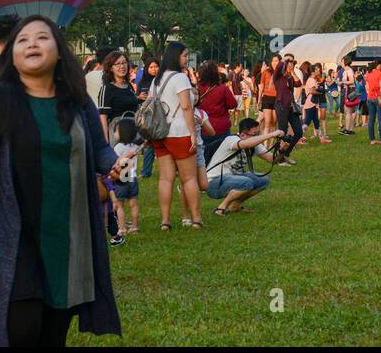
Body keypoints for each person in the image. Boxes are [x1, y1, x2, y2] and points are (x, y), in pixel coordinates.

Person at [0, 15, 122, 346]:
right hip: (12, 244)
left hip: (66, 240)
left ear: (59, 52)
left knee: (52, 334)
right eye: (23, 39)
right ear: (11, 55)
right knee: (18, 331)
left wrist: (116, 165)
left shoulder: (76, 100)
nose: (32, 43)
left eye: (42, 37)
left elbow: (100, 150)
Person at [151, 42, 204, 230]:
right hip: (179, 132)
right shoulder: (180, 78)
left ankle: (165, 221)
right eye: (184, 55)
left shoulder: (156, 80)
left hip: (159, 134)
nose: (186, 59)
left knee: (165, 178)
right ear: (175, 57)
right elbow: (186, 106)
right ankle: (196, 218)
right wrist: (192, 134)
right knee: (189, 178)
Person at [205, 117, 285, 215]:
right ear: (242, 134)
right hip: (214, 183)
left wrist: (282, 150)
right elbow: (243, 144)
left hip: (232, 179)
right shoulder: (231, 139)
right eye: (254, 135)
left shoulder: (253, 143)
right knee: (246, 182)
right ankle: (220, 208)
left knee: (263, 180)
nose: (257, 137)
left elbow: (272, 160)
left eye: (258, 134)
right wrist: (271, 135)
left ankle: (235, 205)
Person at [110, 116, 142, 235]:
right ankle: (134, 227)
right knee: (133, 204)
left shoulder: (117, 147)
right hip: (132, 177)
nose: (114, 134)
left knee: (119, 206)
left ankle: (122, 228)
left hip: (122, 178)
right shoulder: (135, 147)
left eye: (116, 131)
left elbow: (115, 162)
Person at [366, 59, 381, 145]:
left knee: (371, 119)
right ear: (378, 65)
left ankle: (372, 139)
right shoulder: (379, 73)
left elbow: (366, 87)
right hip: (378, 97)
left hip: (370, 98)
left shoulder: (368, 73)